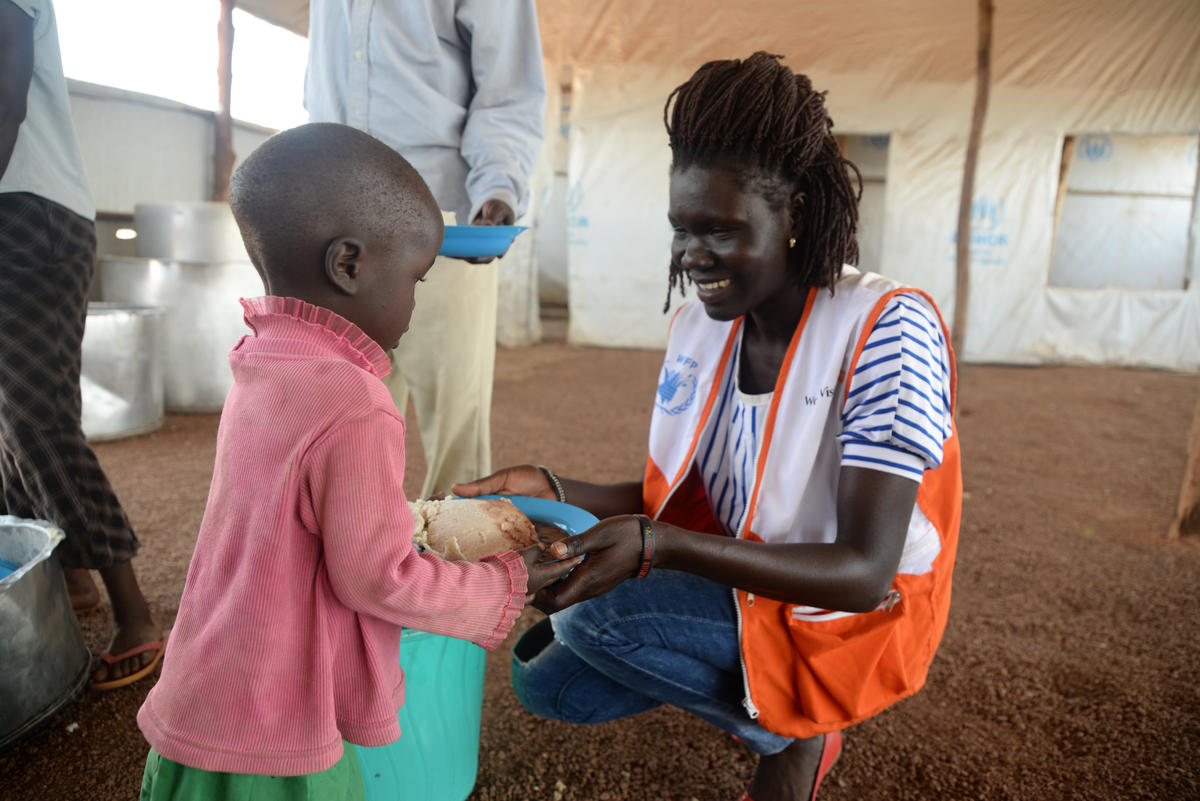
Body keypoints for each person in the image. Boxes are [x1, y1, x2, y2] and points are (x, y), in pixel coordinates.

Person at [453, 52, 962, 801]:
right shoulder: (705, 326)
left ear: (797, 214)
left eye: (719, 230)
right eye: (681, 228)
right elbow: (688, 496)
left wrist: (659, 548)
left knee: (596, 618)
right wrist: (553, 489)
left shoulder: (886, 328)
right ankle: (766, 699)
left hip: (845, 613)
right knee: (546, 682)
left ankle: (795, 730)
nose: (692, 255)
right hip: (743, 574)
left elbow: (865, 573)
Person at [134, 123, 577, 800]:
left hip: (203, 695)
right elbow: (380, 579)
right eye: (415, 278)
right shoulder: (356, 400)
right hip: (275, 735)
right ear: (349, 265)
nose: (415, 302)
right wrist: (505, 585)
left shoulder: (264, 360)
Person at [305, 0, 546, 499]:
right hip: (336, 217)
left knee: (455, 422)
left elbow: (508, 91)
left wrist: (496, 190)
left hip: (443, 219)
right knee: (340, 418)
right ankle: (358, 556)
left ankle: (452, 563)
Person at [0, 0, 162, 690]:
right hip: (30, 206)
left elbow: (7, 79)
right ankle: (69, 577)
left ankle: (134, 610)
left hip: (22, 208)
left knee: (34, 415)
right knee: (10, 412)